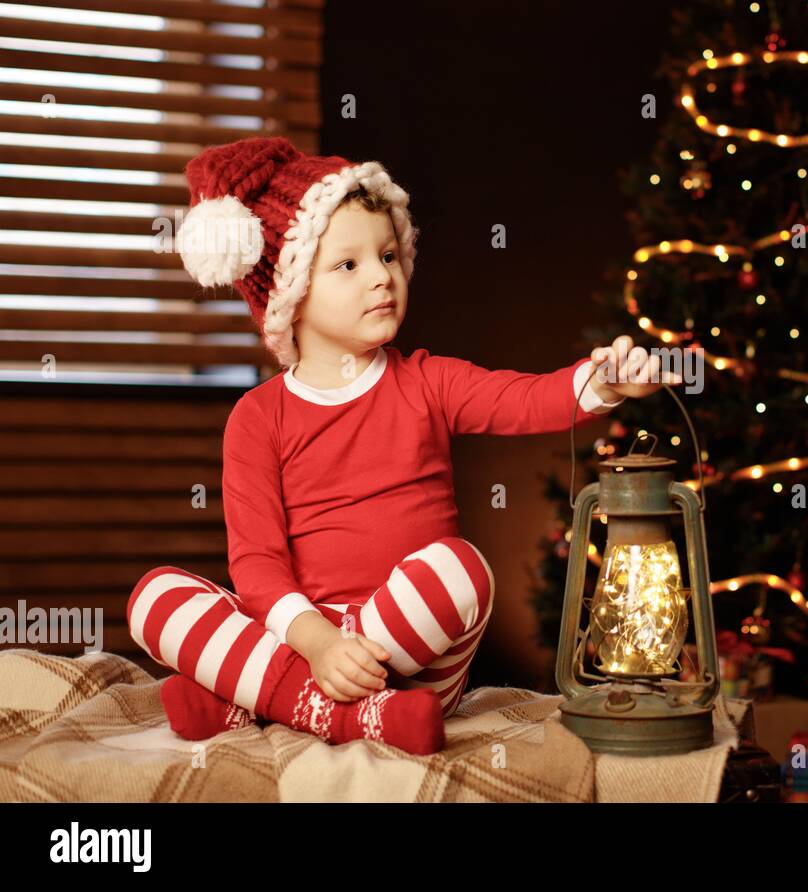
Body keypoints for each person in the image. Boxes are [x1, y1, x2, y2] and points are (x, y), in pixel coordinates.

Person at [128, 137, 677, 755]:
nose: (383, 278)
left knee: (461, 569)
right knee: (156, 597)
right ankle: (338, 713)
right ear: (290, 295)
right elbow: (256, 566)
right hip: (301, 635)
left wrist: (603, 381)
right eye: (349, 265)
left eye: (388, 255)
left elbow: (526, 400)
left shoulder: (427, 381)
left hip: (405, 654)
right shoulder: (258, 418)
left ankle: (265, 697)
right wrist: (318, 644)